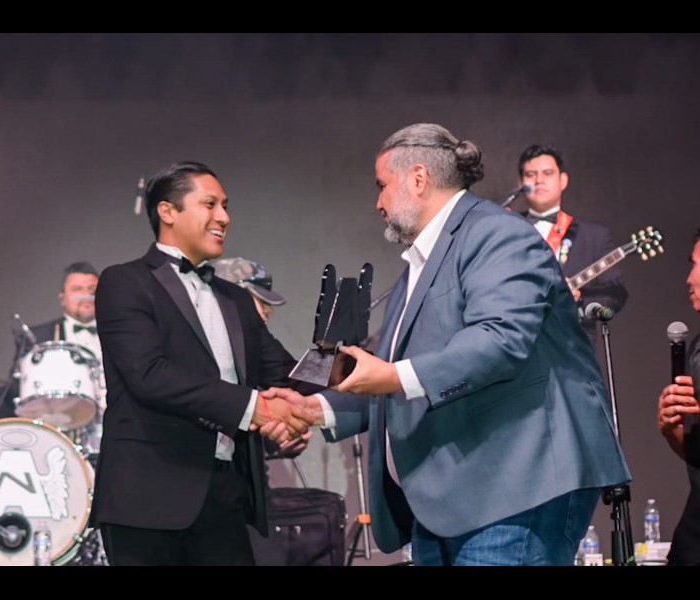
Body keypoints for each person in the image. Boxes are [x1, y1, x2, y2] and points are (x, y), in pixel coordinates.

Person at [264, 123, 631, 566]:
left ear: (418, 179)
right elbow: (397, 376)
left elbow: (500, 339)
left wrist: (391, 375)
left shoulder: (498, 233)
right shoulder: (422, 263)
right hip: (455, 501)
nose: (378, 202)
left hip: (516, 491)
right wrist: (315, 409)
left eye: (382, 186)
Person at [87, 160, 315, 566]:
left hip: (225, 495)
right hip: (146, 496)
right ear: (167, 211)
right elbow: (149, 376)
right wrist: (256, 408)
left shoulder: (235, 298)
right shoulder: (124, 281)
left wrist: (341, 354)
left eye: (225, 206)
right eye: (210, 204)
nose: (224, 217)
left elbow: (288, 374)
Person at [517, 144, 629, 345]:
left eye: (547, 173)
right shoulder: (505, 229)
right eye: (530, 175)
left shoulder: (594, 236)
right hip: (519, 344)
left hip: (573, 347)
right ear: (520, 183)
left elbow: (616, 294)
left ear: (563, 180)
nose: (539, 180)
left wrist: (580, 301)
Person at [0, 261, 105, 428]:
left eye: (93, 290)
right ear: (62, 298)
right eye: (77, 289)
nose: (85, 296)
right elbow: (15, 390)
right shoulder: (38, 336)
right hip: (61, 424)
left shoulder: (121, 333)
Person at [657, 229, 700, 566]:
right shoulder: (696, 348)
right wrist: (673, 431)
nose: (689, 279)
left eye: (697, 265)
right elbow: (697, 455)